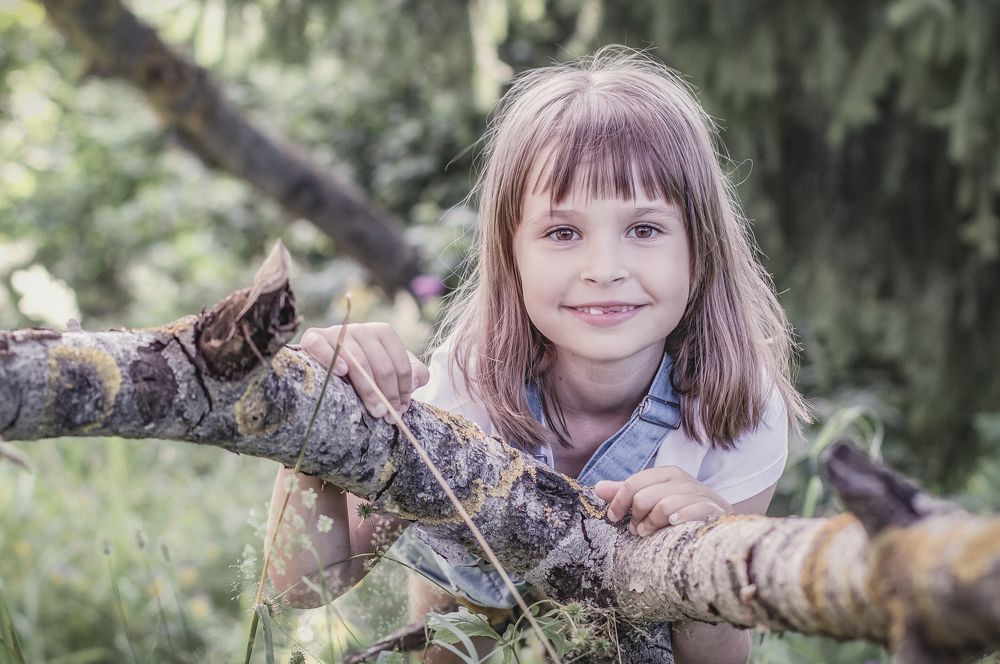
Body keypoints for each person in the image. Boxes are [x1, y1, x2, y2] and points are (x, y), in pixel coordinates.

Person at [266, 46, 809, 663]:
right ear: (510, 252)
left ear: (699, 247)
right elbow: (305, 586)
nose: (604, 270)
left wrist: (704, 556)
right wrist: (319, 427)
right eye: (562, 232)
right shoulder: (463, 395)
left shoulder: (734, 416)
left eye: (644, 229)